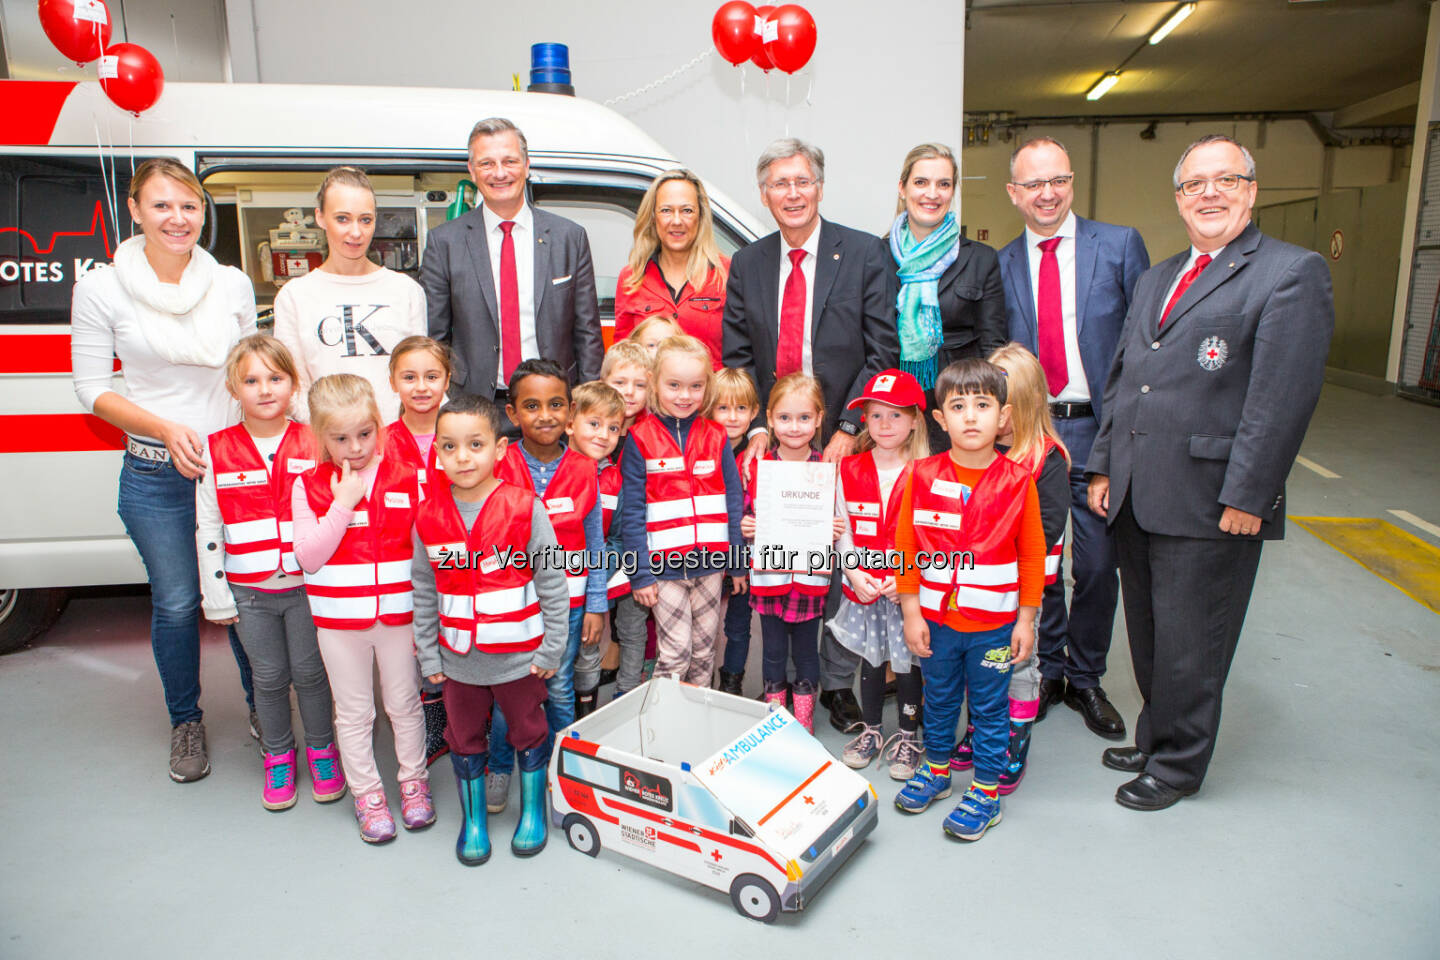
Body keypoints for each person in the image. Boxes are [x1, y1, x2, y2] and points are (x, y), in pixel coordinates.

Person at [1086, 135, 1333, 811]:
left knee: (1195, 640)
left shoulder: (1288, 272)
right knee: (1149, 631)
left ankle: (1177, 767)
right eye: (1195, 184)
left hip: (1213, 497)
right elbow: (1124, 381)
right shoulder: (1156, 277)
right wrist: (1105, 464)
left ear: (1252, 190)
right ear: (1179, 198)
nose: (1210, 194)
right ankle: (1155, 732)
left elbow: (1281, 400)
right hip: (1138, 488)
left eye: (1226, 180)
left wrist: (1250, 494)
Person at [70, 157, 258, 783]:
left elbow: (246, 372)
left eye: (190, 206)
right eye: (163, 205)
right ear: (136, 210)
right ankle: (186, 722)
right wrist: (165, 430)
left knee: (249, 595)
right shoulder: (101, 288)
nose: (178, 219)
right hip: (156, 474)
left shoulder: (229, 282)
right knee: (178, 603)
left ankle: (265, 709)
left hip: (233, 470)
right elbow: (92, 389)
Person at [723, 137, 900, 732]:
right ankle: (781, 681)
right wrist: (752, 426)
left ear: (820, 186)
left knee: (838, 557)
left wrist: (850, 424)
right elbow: (738, 356)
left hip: (840, 436)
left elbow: (883, 351)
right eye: (780, 184)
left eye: (802, 182)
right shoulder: (747, 262)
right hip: (775, 439)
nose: (792, 193)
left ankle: (831, 684)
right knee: (783, 563)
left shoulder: (866, 253)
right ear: (765, 193)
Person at [998, 137, 1150, 740]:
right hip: (1032, 433)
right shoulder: (1002, 262)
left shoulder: (1118, 246)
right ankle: (1049, 670)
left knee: (1095, 564)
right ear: (1014, 194)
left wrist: (1121, 443)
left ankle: (1087, 678)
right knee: (1037, 560)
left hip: (1098, 427)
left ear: (1070, 183)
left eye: (1056, 179)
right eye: (1033, 184)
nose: (1047, 192)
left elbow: (1145, 345)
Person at [411, 394, 569, 864]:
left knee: (529, 732)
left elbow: (553, 582)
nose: (463, 457)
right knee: (463, 739)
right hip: (458, 663)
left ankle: (533, 814)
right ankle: (474, 821)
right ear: (436, 453)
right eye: (450, 447)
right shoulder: (428, 516)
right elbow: (423, 590)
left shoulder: (525, 508)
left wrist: (550, 650)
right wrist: (428, 654)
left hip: (521, 660)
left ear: (500, 449)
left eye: (475, 444)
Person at [892, 358, 1046, 842]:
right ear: (940, 418)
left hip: (996, 628)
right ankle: (937, 770)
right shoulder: (920, 475)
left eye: (983, 405)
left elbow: (1032, 556)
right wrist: (911, 610)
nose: (971, 416)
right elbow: (905, 549)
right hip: (936, 624)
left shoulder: (1018, 481)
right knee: (937, 700)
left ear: (1003, 415)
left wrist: (1026, 621)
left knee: (989, 707)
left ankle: (985, 790)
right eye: (958, 406)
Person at [197, 336, 343, 811]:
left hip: (307, 588)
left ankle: (323, 751)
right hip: (249, 592)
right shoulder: (215, 449)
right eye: (251, 380)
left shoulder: (313, 440)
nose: (264, 389)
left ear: (293, 383)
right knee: (269, 675)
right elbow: (208, 527)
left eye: (275, 378)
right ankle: (278, 756)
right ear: (233, 388)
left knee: (310, 672)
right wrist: (216, 595)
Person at [291, 374, 432, 843]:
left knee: (404, 704)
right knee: (354, 713)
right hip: (338, 623)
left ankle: (413, 785)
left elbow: (428, 548)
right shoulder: (308, 485)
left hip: (399, 618)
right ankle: (368, 795)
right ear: (319, 436)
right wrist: (342, 507)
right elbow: (308, 556)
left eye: (365, 434)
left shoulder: (409, 479)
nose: (355, 447)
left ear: (380, 427)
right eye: (340, 438)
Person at [485, 359, 608, 812]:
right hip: (511, 606)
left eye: (556, 404)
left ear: (571, 411)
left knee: (557, 690)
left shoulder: (584, 468)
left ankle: (563, 767)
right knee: (509, 693)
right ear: (513, 414)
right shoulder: (498, 464)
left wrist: (596, 602)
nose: (545, 415)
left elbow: (594, 540)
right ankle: (499, 764)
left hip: (570, 606)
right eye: (531, 406)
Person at [421, 117, 603, 413]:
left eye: (509, 161)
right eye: (486, 164)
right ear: (471, 169)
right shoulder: (445, 243)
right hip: (476, 408)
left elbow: (588, 333)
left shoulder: (570, 237)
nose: (500, 173)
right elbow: (435, 339)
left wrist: (587, 404)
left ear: (527, 165)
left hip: (553, 408)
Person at [955, 343, 1071, 795]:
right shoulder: (976, 451)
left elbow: (1044, 529)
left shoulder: (1047, 459)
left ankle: (1012, 744)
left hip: (1020, 590)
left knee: (1016, 666)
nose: (982, 408)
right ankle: (981, 732)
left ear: (1023, 402)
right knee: (976, 666)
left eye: (993, 397)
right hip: (973, 587)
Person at [621, 335, 745, 686]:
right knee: (675, 653)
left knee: (705, 651)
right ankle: (665, 727)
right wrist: (640, 574)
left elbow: (733, 502)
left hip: (711, 567)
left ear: (707, 388)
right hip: (664, 570)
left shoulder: (717, 436)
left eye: (695, 386)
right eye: (674, 385)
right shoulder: (640, 438)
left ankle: (695, 722)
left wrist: (736, 563)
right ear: (655, 383)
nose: (685, 395)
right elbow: (632, 512)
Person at [829, 371, 928, 779]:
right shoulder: (848, 469)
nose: (885, 426)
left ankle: (908, 735)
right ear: (864, 420)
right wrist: (853, 574)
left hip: (906, 591)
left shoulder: (928, 471)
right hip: (864, 586)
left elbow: (931, 537)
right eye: (875, 416)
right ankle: (871, 729)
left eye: (895, 416)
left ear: (915, 421)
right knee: (870, 659)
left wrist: (907, 581)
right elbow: (844, 531)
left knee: (907, 662)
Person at [273, 166, 426, 423]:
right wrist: (335, 436)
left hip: (396, 443)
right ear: (320, 218)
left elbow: (420, 377)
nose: (356, 232)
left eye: (365, 219)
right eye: (342, 218)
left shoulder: (406, 291)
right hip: (327, 444)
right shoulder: (294, 296)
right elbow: (293, 387)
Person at [888, 143, 1008, 452]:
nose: (932, 193)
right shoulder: (875, 256)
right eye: (921, 182)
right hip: (890, 413)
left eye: (943, 184)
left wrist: (980, 413)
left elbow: (993, 347)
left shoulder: (980, 259)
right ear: (902, 188)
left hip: (956, 413)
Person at [740, 374, 839, 733]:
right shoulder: (758, 467)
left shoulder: (826, 469)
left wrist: (833, 528)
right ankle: (776, 720)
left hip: (809, 581)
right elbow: (747, 511)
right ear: (769, 418)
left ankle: (804, 720)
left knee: (807, 652)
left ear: (818, 419)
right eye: (784, 418)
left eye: (803, 418)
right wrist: (747, 525)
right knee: (773, 652)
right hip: (770, 579)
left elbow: (835, 517)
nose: (794, 427)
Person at [382, 336, 453, 765]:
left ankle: (461, 716)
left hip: (458, 567)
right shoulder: (380, 441)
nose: (421, 387)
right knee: (412, 649)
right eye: (409, 377)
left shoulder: (462, 432)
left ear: (448, 380)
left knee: (456, 642)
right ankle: (426, 719)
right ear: (393, 381)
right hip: (400, 569)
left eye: (432, 376)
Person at [614, 169, 730, 367]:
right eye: (666, 210)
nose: (676, 221)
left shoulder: (726, 274)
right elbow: (622, 360)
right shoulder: (631, 278)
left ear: (701, 216)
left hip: (711, 397)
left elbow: (740, 355)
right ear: (653, 217)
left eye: (687, 210)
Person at [600, 339, 655, 698]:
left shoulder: (652, 433)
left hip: (638, 545)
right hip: (597, 546)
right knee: (591, 621)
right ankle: (581, 690)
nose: (630, 393)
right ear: (603, 381)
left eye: (639, 385)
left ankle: (628, 691)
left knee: (634, 623)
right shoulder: (593, 429)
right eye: (620, 383)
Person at [709, 367, 759, 695]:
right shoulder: (703, 451)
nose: (732, 417)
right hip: (710, 556)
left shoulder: (759, 456)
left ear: (754, 413)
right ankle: (698, 683)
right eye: (723, 408)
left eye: (741, 408)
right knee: (705, 625)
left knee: (738, 626)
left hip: (746, 557)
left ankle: (732, 683)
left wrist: (756, 521)